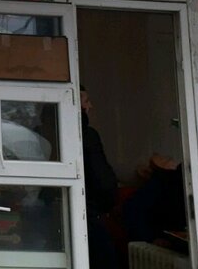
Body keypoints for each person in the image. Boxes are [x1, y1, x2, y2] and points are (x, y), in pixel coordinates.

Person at [81, 85, 119, 269]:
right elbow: (103, 181)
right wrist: (108, 201)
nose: (90, 105)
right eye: (86, 101)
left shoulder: (46, 131)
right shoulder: (87, 136)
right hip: (89, 215)